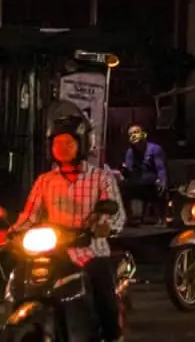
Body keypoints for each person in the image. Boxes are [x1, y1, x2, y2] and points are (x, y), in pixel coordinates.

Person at [11, 106, 126, 341]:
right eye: (57, 143)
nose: (62, 148)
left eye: (68, 143)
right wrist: (13, 232)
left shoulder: (100, 178)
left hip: (91, 250)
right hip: (55, 249)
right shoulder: (45, 181)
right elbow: (29, 215)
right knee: (21, 281)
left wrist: (103, 226)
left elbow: (116, 214)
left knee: (104, 297)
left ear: (83, 144)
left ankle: (113, 337)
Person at [121, 124, 167, 225]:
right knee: (122, 188)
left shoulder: (155, 149)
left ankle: (161, 218)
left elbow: (160, 168)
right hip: (138, 182)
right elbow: (128, 169)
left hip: (152, 182)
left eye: (136, 132)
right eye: (131, 134)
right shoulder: (130, 152)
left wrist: (162, 181)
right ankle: (129, 218)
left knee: (160, 187)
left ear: (143, 134)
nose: (134, 135)